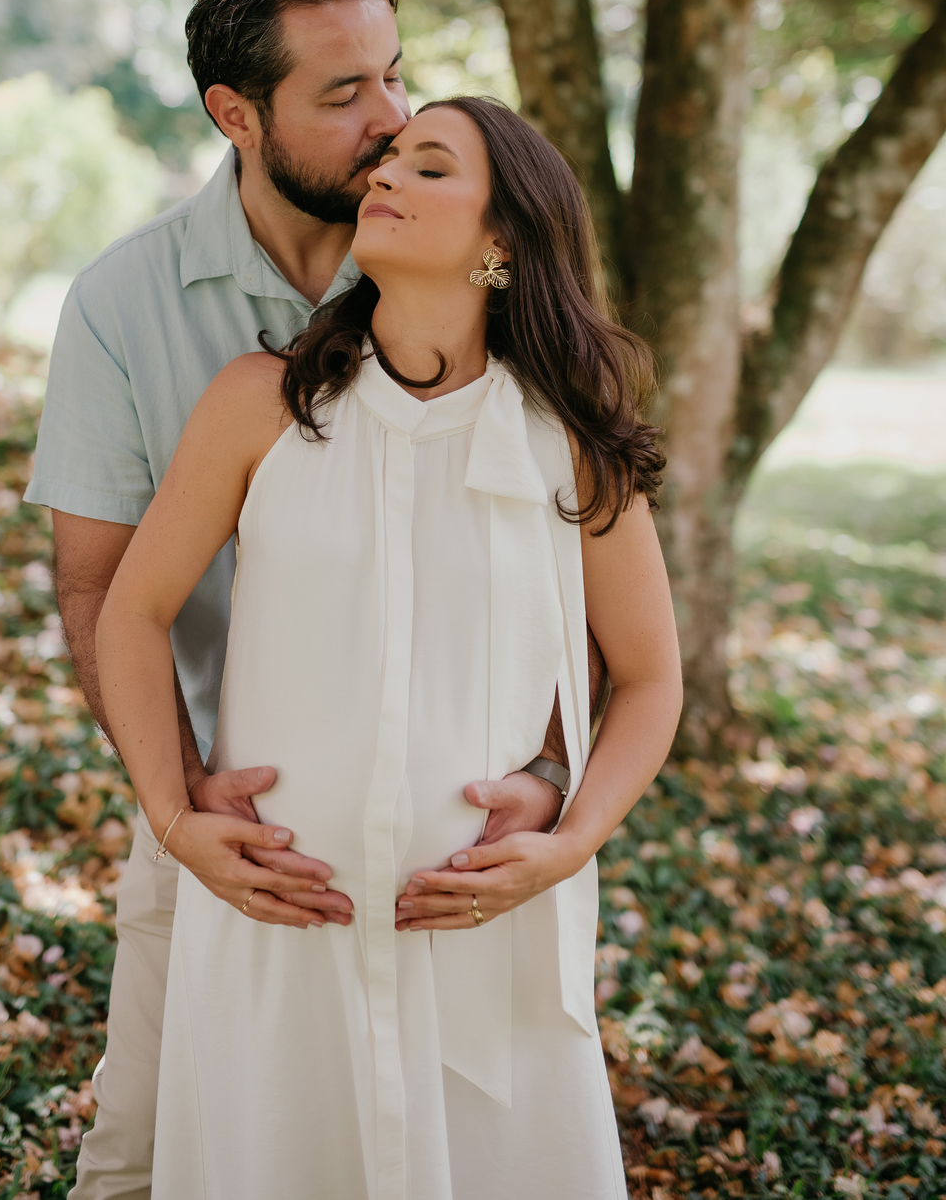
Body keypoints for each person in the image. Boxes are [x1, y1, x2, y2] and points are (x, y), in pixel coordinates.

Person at [24, 0, 597, 1197]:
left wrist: (555, 767)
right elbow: (101, 590)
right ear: (237, 113)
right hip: (230, 815)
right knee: (152, 1151)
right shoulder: (124, 305)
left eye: (396, 74)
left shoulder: (449, 256)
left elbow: (562, 561)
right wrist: (179, 807)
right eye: (344, 94)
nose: (390, 121)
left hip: (446, 845)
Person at [97, 95, 683, 1199]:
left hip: (479, 936)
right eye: (387, 162)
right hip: (280, 925)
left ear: (503, 237)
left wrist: (570, 843)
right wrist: (175, 820)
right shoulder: (262, 404)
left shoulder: (570, 441)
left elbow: (650, 678)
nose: (384, 176)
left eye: (429, 165)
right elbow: (130, 614)